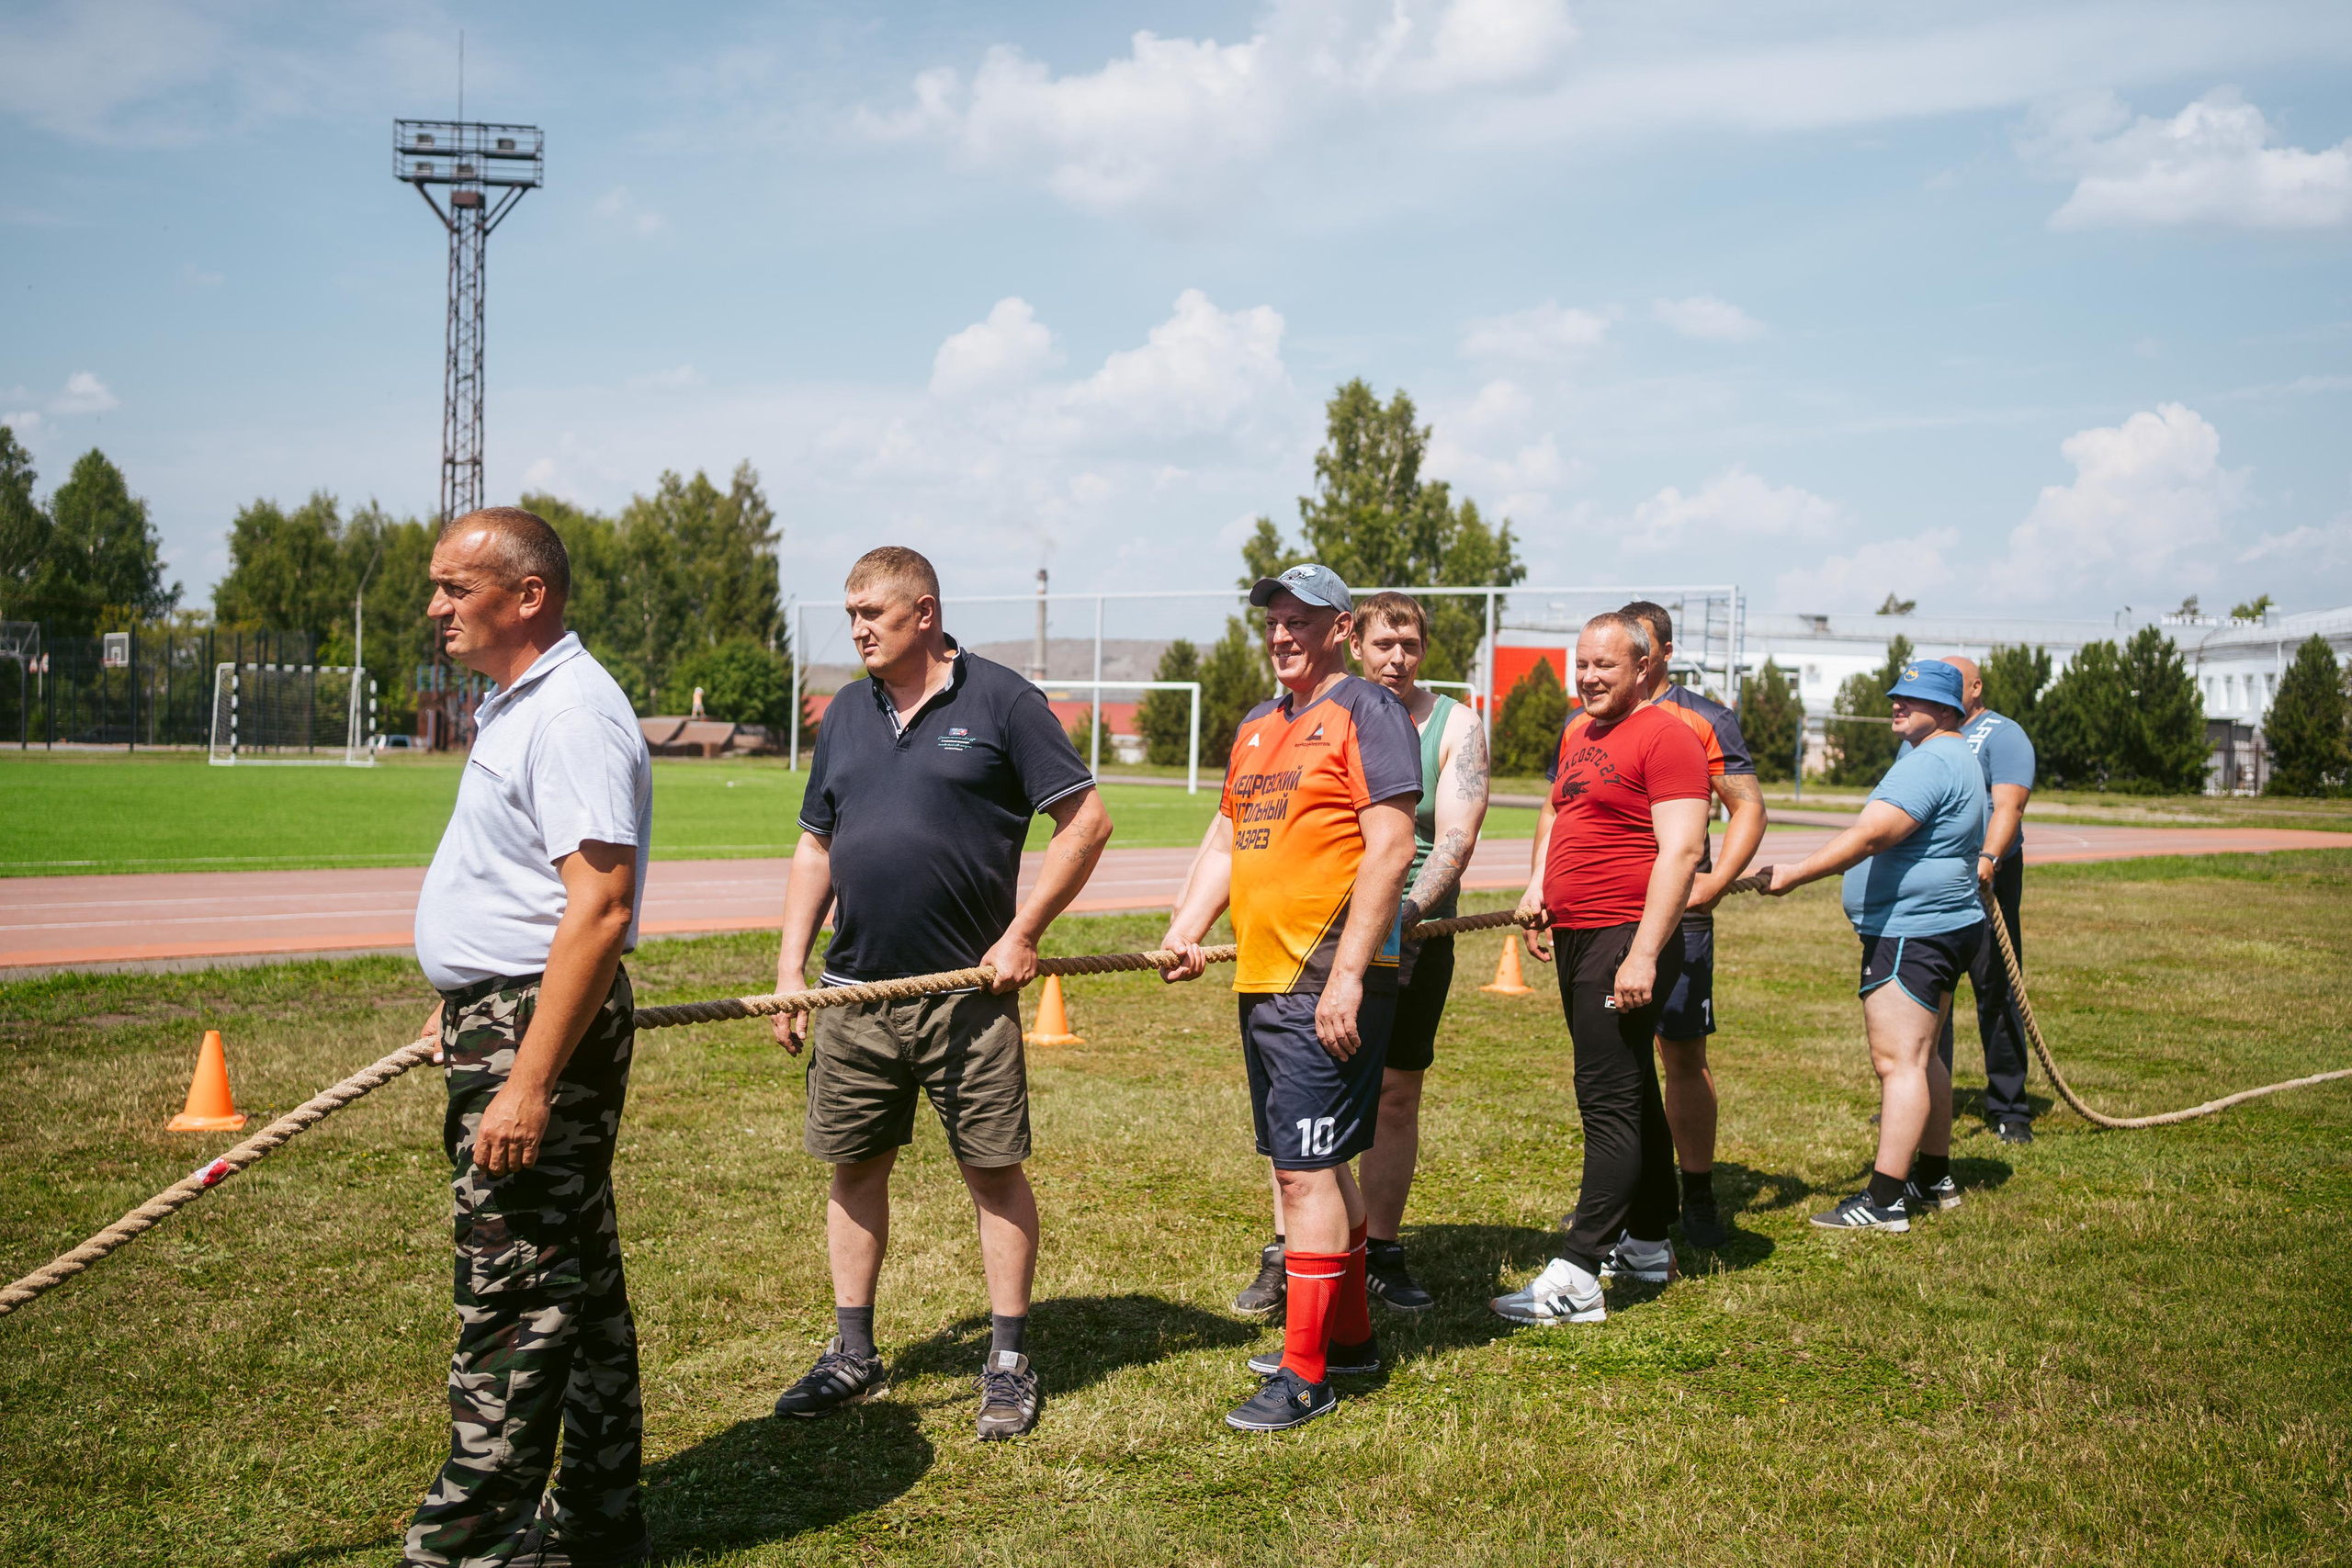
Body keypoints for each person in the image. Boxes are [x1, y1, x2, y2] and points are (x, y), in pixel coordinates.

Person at [766, 547, 1112, 1441]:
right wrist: (790, 970)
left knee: (992, 1170)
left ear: (923, 613)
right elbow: (815, 845)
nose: (856, 630)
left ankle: (1005, 1360)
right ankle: (853, 1352)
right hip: (851, 997)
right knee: (854, 1166)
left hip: (966, 996)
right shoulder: (845, 711)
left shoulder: (1000, 700)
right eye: (848, 615)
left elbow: (1087, 820)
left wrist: (1023, 931)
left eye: (871, 614)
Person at [404, 507, 655, 1568]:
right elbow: (517, 886)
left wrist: (527, 1076)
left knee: (512, 1298)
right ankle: (597, 1529)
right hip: (504, 1013)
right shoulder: (517, 705)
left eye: (456, 589)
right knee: (578, 1290)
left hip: (532, 1033)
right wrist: (463, 992)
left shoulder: (572, 715)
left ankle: (463, 1548)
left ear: (527, 595)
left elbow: (598, 906)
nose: (436, 608)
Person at [1160, 563, 1419, 1431]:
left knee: (1305, 1172)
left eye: (1301, 620)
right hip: (1263, 978)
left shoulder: (1367, 711)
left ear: (1341, 629)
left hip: (1323, 979)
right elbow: (1231, 838)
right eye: (1273, 620)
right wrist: (1186, 926)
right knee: (1310, 1163)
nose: (1282, 635)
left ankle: (1305, 1373)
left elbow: (1391, 842)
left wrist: (1348, 972)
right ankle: (1348, 1341)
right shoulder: (1256, 727)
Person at [1227, 590, 1488, 1320]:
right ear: (1357, 642)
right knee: (1308, 1112)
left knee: (1395, 1097)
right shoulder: (1314, 715)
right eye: (1385, 645)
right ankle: (1299, 1255)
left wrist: (1399, 918)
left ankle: (1381, 1254)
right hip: (1334, 940)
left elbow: (1453, 840)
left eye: (1410, 646)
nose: (1397, 659)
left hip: (1410, 929)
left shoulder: (1453, 724)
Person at [1491, 613, 1711, 1328]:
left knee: (1605, 1099)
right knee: (1630, 1086)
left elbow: (1680, 852)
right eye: (1580, 664)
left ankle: (1580, 1271)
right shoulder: (1576, 732)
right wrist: (1536, 886)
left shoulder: (1668, 736)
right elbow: (1559, 813)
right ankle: (1647, 1243)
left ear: (1643, 667)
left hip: (1626, 934)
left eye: (1603, 666)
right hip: (1580, 934)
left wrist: (1645, 951)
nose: (1587, 677)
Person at [1764, 659, 1988, 1231]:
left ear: (1946, 710)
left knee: (1899, 1062)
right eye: (1896, 696)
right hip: (1946, 924)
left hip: (1913, 930)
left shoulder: (1931, 759)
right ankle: (1933, 1177)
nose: (1896, 705)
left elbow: (1872, 834)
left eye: (1911, 700)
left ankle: (1884, 1201)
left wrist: (1796, 873)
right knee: (1925, 1055)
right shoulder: (1957, 753)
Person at [1612, 601, 1769, 1249]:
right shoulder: (1594, 717)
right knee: (1616, 1062)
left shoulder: (1704, 716)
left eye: (1643, 646)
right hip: (1608, 913)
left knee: (1680, 1053)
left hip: (1680, 917)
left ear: (1665, 653)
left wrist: (1715, 880)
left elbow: (1747, 809)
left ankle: (1696, 1192)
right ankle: (1625, 1194)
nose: (1634, 659)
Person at [1929, 655, 2039, 1144]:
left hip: (1986, 879)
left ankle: (2010, 1107)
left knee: (1996, 989)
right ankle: (1926, 1099)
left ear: (1975, 687)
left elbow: (2009, 803)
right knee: (1928, 994)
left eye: (1955, 682)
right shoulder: (1925, 736)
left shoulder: (2002, 733)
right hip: (1933, 878)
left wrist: (1989, 858)